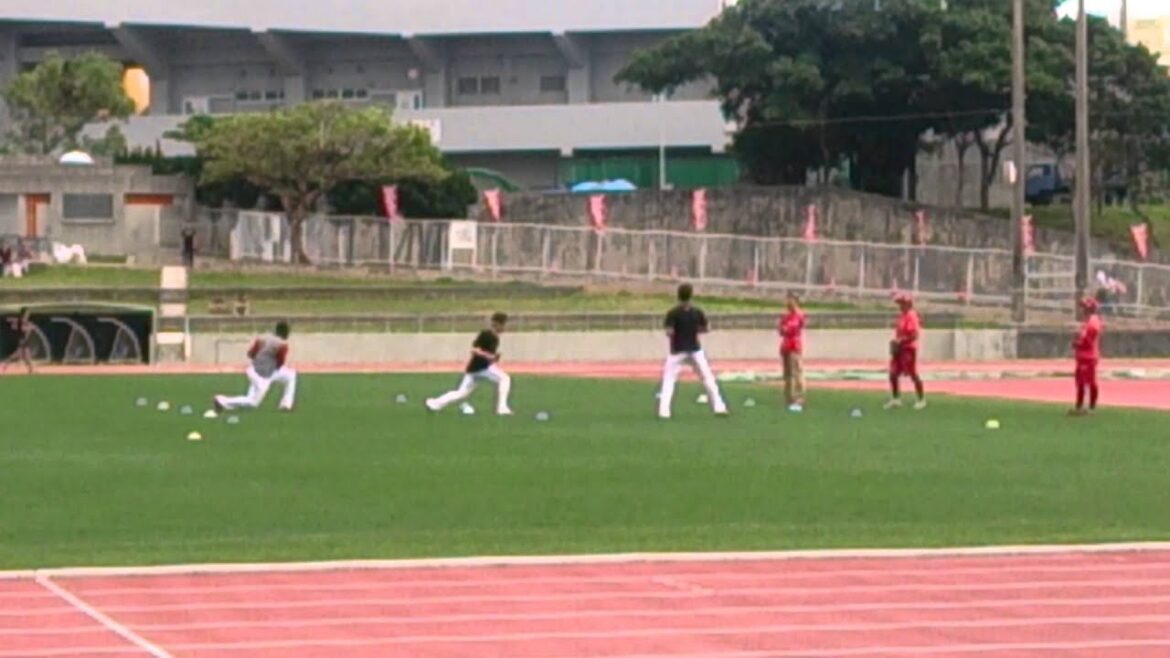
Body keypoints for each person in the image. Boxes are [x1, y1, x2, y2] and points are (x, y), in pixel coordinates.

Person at [657, 283, 729, 419]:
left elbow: (669, 331)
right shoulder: (697, 312)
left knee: (669, 380)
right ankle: (719, 407)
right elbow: (706, 328)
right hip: (694, 349)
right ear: (691, 296)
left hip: (677, 350)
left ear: (678, 296)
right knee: (707, 378)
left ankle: (664, 411)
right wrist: (694, 329)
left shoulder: (673, 313)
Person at [426, 312, 513, 416]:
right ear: (498, 324)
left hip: (476, 369)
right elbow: (474, 350)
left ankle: (435, 403)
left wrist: (493, 358)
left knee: (461, 393)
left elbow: (486, 355)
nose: (505, 327)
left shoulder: (495, 337)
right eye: (504, 324)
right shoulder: (486, 334)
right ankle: (502, 408)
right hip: (481, 368)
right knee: (505, 379)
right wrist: (490, 356)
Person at [214, 321, 297, 411]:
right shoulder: (283, 345)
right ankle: (222, 401)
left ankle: (286, 404)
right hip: (263, 375)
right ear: (285, 333)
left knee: (290, 375)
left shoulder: (262, 338)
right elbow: (280, 362)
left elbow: (251, 354)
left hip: (253, 370)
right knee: (253, 402)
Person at [885, 294, 927, 410]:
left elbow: (915, 335)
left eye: (902, 303)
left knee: (913, 374)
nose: (900, 306)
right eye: (900, 303)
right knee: (893, 373)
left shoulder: (911, 316)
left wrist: (902, 340)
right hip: (900, 349)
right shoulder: (902, 316)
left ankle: (921, 399)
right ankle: (896, 399)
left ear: (908, 304)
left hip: (908, 349)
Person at [1070, 296, 1103, 416]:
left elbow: (1088, 341)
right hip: (1083, 356)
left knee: (1089, 381)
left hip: (1088, 357)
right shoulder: (1087, 322)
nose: (1082, 310)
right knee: (1080, 381)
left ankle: (1090, 407)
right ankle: (1079, 406)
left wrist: (1077, 343)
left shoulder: (1092, 323)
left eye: (1084, 307)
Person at [779, 292, 806, 412]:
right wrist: (783, 328)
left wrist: (785, 328)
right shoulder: (786, 316)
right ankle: (789, 397)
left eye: (790, 300)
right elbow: (781, 329)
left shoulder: (798, 315)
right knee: (788, 374)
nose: (788, 302)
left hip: (794, 347)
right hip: (786, 347)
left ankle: (798, 398)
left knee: (796, 373)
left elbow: (791, 328)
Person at [1, 310, 36, 375]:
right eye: (26, 314)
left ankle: (31, 370)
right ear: (23, 314)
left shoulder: (25, 322)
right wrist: (26, 327)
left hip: (25, 340)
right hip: (21, 340)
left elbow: (29, 329)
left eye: (28, 314)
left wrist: (29, 327)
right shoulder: (19, 322)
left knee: (25, 356)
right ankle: (31, 370)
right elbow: (14, 326)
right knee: (22, 356)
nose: (27, 315)